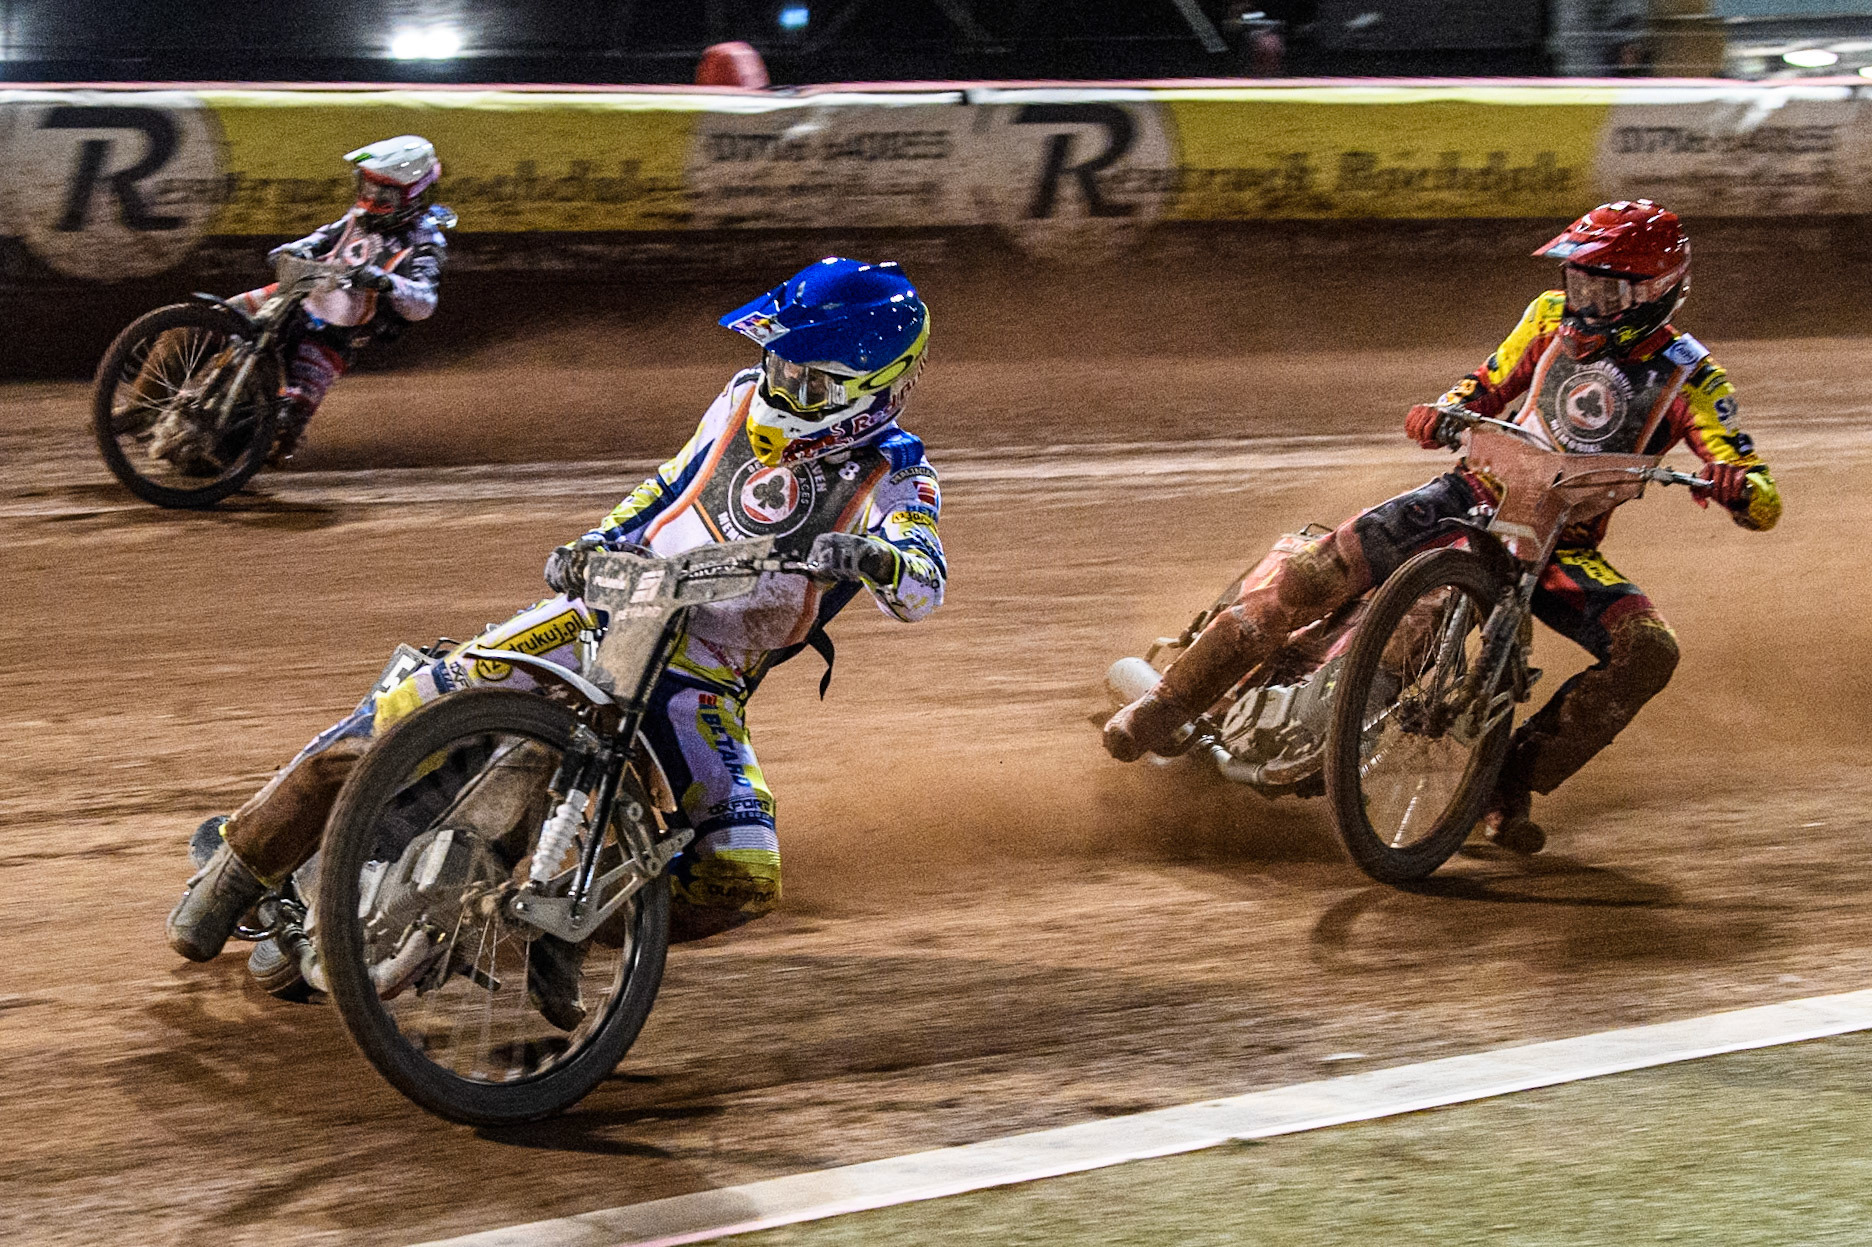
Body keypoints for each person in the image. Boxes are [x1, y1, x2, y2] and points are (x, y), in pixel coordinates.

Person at [166, 258, 946, 1021]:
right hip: (613, 613)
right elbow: (670, 483)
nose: (782, 383)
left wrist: (878, 556)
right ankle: (238, 866)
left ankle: (566, 927)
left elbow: (923, 582)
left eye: (808, 378)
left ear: (872, 393)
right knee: (411, 704)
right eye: (779, 362)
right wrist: (595, 540)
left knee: (741, 876)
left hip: (705, 679)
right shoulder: (743, 398)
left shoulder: (899, 474)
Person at [1105, 200, 1780, 853]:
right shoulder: (1547, 317)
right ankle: (1166, 702)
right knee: (1313, 572)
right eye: (1576, 282)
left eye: (1602, 291)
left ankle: (1510, 779)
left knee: (1650, 648)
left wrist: (1738, 486)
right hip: (1468, 492)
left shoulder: (1694, 377)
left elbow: (1759, 486)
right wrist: (1446, 410)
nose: (1582, 302)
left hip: (1557, 545)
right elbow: (1484, 383)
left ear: (1653, 294)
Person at [228, 135, 450, 463]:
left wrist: (384, 281)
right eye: (367, 187)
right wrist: (298, 249)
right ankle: (135, 407)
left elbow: (425, 301)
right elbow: (322, 237)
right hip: (293, 297)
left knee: (284, 428)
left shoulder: (426, 243)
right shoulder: (357, 217)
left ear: (411, 196)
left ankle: (235, 459)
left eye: (381, 193)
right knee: (202, 321)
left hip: (332, 337)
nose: (369, 199)